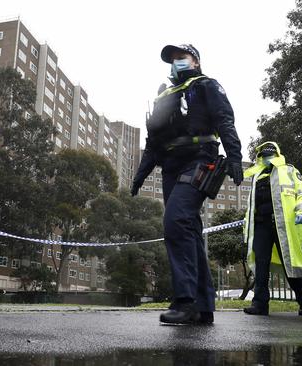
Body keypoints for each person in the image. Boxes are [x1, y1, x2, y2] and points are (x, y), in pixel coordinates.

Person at [131, 44, 243, 325]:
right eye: (172, 60)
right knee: (190, 230)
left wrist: (235, 157)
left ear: (195, 61)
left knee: (177, 221)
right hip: (170, 166)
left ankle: (185, 300)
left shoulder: (207, 86)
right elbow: (153, 143)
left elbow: (225, 120)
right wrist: (140, 175)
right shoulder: (164, 97)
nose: (175, 63)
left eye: (181, 58)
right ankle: (203, 307)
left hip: (200, 159)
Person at [242, 142, 302, 316]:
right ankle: (259, 304)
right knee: (261, 265)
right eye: (263, 156)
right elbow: (251, 206)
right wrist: (247, 227)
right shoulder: (256, 176)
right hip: (261, 226)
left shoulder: (289, 171)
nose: (266, 159)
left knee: (290, 265)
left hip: (284, 226)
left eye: (269, 156)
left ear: (277, 155)